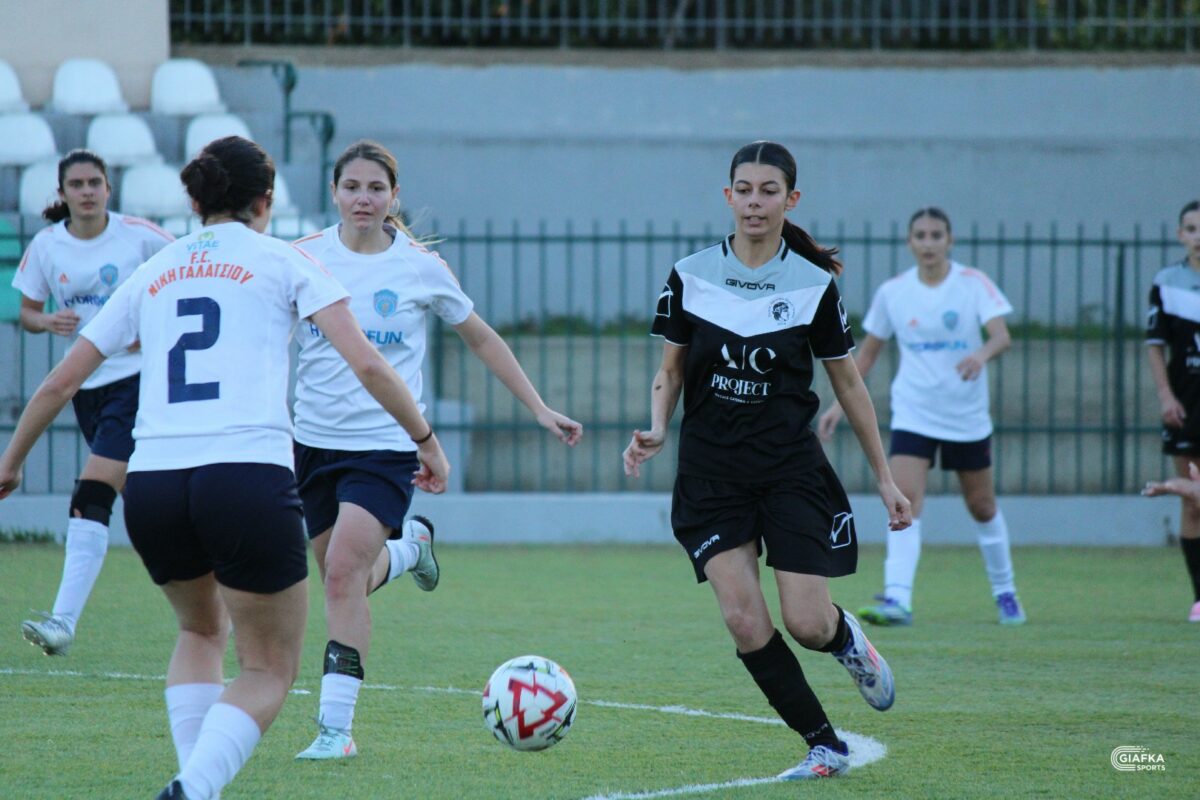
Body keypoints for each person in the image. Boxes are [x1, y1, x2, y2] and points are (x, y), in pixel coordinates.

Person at [0, 136, 450, 800]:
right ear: (265, 201)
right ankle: (195, 786)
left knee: (200, 629)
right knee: (267, 666)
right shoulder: (284, 260)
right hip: (244, 476)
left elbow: (60, 383)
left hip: (153, 484)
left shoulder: (155, 268)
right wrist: (425, 440)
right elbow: (368, 364)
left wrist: (10, 464)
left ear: (195, 200)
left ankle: (193, 783)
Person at [622, 141, 910, 781]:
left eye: (769, 191)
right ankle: (824, 745)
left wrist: (886, 478)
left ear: (791, 199)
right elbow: (670, 371)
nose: (755, 202)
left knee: (806, 623)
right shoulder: (690, 274)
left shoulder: (813, 286)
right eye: (745, 190)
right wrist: (658, 427)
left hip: (788, 471)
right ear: (728, 197)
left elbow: (849, 385)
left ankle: (846, 640)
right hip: (711, 474)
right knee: (743, 619)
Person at [289, 140, 583, 760]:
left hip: (386, 447)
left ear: (394, 196)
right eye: (352, 187)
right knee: (346, 577)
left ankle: (335, 729)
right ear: (334, 192)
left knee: (341, 574)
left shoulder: (419, 267)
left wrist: (537, 406)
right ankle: (410, 549)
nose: (363, 198)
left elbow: (482, 338)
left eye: (376, 188)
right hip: (311, 443)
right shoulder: (303, 257)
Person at [817, 207, 1024, 627]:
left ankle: (1006, 594)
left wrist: (980, 355)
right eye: (921, 236)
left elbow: (1001, 336)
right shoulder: (894, 292)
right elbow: (866, 356)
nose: (928, 243)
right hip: (914, 414)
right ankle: (898, 598)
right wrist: (838, 406)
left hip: (966, 416)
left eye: (936, 235)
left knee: (982, 506)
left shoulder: (973, 284)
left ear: (950, 240)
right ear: (910, 242)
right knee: (904, 501)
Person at [12, 149, 174, 656]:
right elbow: (27, 312)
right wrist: (47, 321)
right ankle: (219, 599)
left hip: (138, 382)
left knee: (92, 493)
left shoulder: (140, 236)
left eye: (94, 182)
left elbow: (186, 278)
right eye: (76, 184)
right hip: (86, 386)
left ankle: (63, 621)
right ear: (62, 193)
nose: (86, 192)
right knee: (152, 504)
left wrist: (151, 328)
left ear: (109, 188)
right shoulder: (47, 245)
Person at [1144, 199, 1200, 623]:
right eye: (1191, 229)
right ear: (1180, 235)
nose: (1199, 237)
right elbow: (1155, 346)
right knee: (1193, 499)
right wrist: (1166, 396)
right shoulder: (1168, 283)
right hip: (1188, 405)